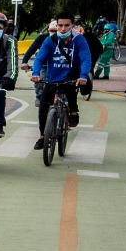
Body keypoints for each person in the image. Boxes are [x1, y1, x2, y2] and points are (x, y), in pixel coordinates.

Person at [30, 13, 91, 150]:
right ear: (56, 25)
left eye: (66, 25)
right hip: (51, 79)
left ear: (72, 26)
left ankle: (73, 112)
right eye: (60, 25)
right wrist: (35, 73)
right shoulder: (50, 40)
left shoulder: (79, 40)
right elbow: (39, 58)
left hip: (70, 78)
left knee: (71, 93)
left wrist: (83, 76)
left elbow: (85, 59)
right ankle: (42, 136)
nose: (63, 29)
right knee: (43, 107)